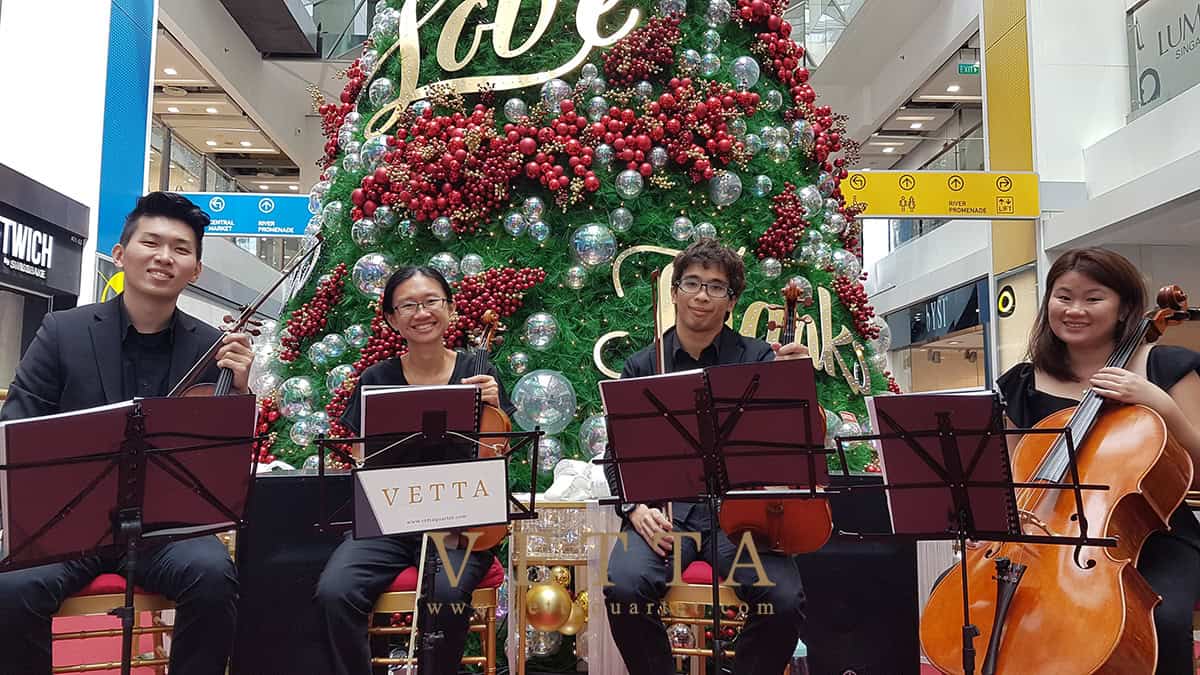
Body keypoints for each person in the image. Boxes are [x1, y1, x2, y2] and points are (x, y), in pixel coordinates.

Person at [0, 192, 254, 674]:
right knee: (11, 589)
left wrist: (239, 394)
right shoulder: (61, 331)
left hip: (165, 528)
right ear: (120, 254)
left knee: (213, 576)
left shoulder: (213, 348)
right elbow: (18, 426)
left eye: (181, 249)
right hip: (69, 521)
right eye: (151, 243)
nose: (164, 257)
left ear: (196, 270)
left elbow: (221, 459)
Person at [603, 238, 810, 675]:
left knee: (784, 599)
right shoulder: (642, 365)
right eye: (692, 283)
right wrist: (634, 508)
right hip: (664, 515)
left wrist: (797, 383)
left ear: (731, 301)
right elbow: (615, 452)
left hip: (739, 519)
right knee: (623, 588)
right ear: (674, 292)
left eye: (716, 287)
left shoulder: (758, 358)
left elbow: (791, 440)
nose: (701, 295)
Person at [996, 247, 1200, 674]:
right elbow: (1009, 476)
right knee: (996, 614)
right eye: (1063, 296)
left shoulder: (1166, 368)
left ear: (1124, 308)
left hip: (1154, 535)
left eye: (1093, 298)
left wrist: (1160, 404)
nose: (1075, 310)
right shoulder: (1023, 383)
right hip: (1047, 539)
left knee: (1160, 621)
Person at [314, 265, 513, 675]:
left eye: (431, 301)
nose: (421, 313)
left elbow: (499, 452)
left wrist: (493, 405)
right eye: (407, 305)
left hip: (463, 525)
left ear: (451, 309)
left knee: (447, 595)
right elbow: (360, 456)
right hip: (391, 522)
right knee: (335, 591)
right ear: (391, 318)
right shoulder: (377, 378)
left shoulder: (479, 376)